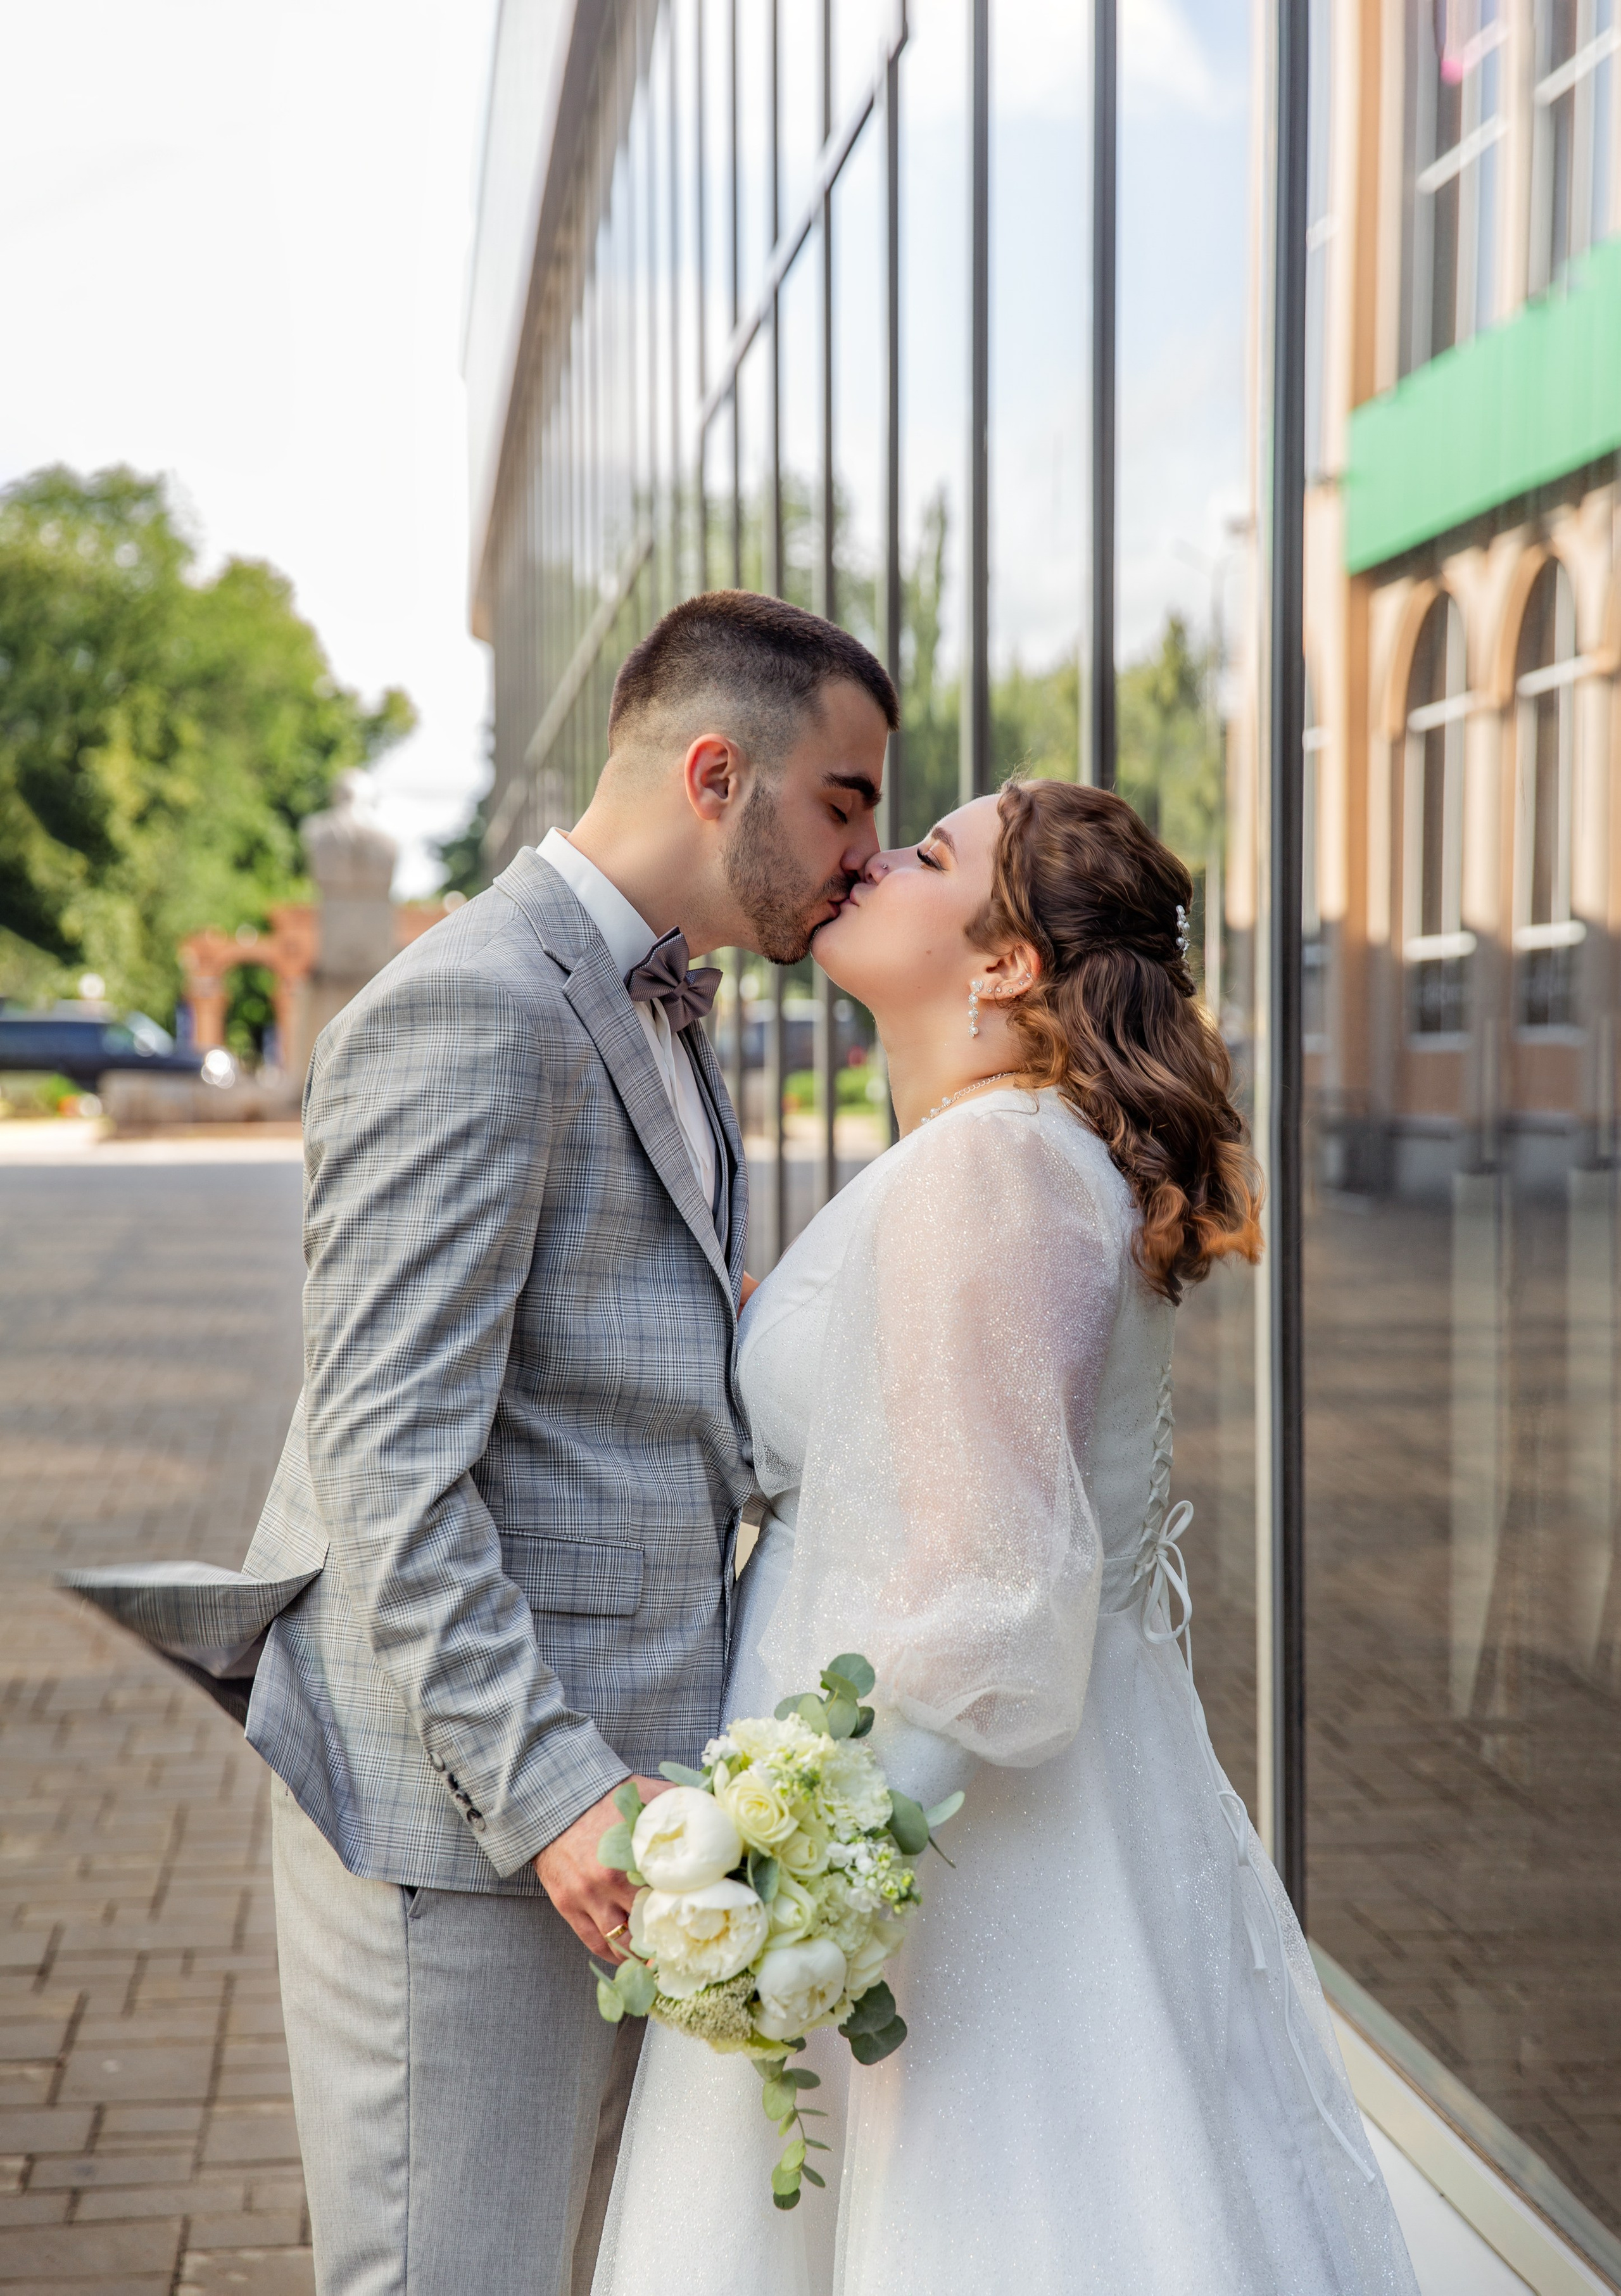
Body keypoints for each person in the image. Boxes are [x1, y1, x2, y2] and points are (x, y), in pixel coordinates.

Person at [65, 590, 896, 2296]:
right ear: (719, 772)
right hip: (474, 1820)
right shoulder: (471, 1012)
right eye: (849, 798)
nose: (868, 854)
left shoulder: (660, 1004)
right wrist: (560, 1794)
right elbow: (388, 1465)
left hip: (613, 1799)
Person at [591, 780, 1420, 2296]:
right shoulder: (1002, 1152)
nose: (874, 856)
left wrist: (801, 1880)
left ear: (1004, 964)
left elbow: (987, 1582)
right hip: (946, 1789)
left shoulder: (997, 1166)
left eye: (927, 854)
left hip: (946, 1835)